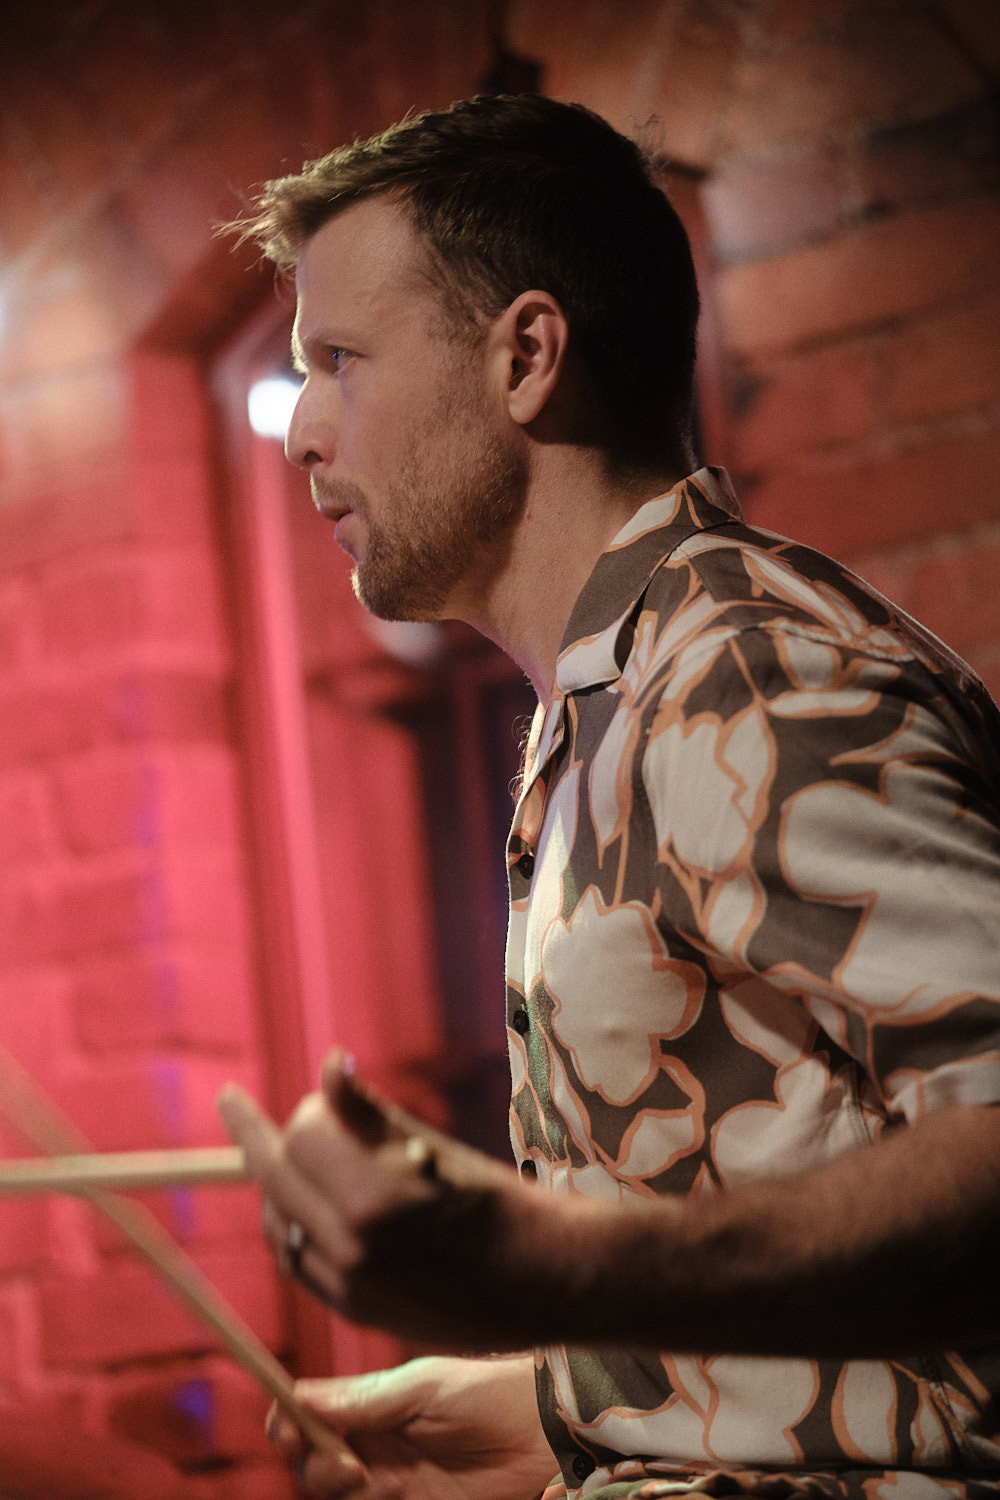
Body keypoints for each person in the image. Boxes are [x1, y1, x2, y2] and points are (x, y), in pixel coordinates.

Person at [216, 94, 1000, 1500]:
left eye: (340, 359)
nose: (301, 432)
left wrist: (552, 1270)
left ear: (526, 356)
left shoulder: (745, 674)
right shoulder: (617, 689)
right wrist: (565, 1413)